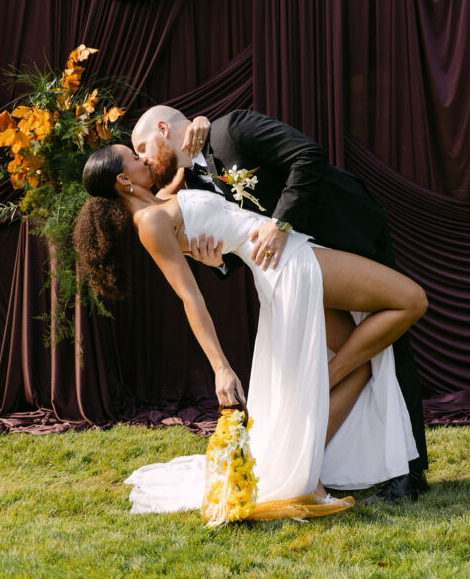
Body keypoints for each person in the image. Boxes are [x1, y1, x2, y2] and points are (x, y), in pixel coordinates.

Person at [73, 144, 428, 515]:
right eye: (134, 156)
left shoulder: (160, 201)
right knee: (411, 299)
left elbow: (200, 211)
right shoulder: (149, 224)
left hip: (282, 260)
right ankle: (319, 390)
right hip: (288, 265)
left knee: (361, 364)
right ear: (123, 179)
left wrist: (206, 245)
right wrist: (221, 368)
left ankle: (302, 467)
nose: (144, 157)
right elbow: (190, 298)